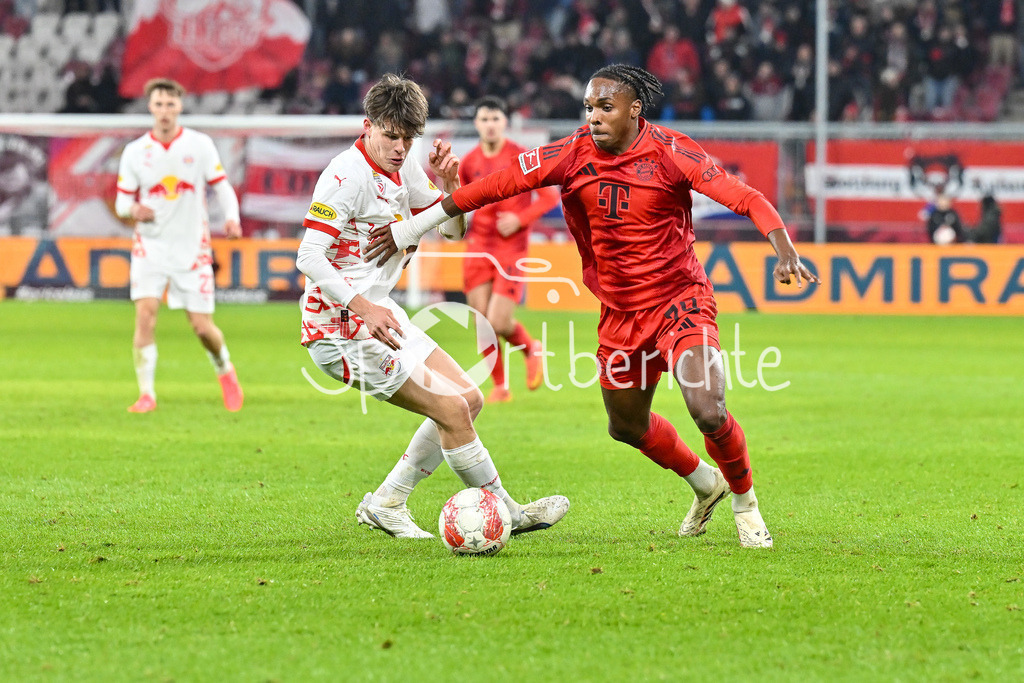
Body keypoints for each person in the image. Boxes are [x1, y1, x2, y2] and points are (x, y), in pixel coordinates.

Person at [366, 65, 821, 549]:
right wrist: (411, 228)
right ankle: (705, 483)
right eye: (589, 107)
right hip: (619, 314)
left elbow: (745, 197)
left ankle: (745, 504)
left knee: (708, 409)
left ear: (635, 110)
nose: (594, 117)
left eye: (606, 107)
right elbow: (495, 186)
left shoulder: (672, 151)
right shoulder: (572, 152)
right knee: (626, 426)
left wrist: (784, 248)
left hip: (680, 300)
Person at [295, 73, 569, 539]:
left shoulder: (404, 168)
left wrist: (450, 184)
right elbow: (308, 255)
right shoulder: (345, 177)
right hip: (340, 329)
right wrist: (364, 307)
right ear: (367, 125)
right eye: (391, 135)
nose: (400, 147)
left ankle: (387, 502)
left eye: (408, 138)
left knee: (469, 399)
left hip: (381, 315)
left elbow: (452, 231)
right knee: (452, 410)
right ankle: (509, 512)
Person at [115, 78, 244, 414]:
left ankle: (224, 369)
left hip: (193, 250)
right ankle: (146, 394)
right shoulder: (135, 152)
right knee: (145, 315)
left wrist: (232, 218)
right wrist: (133, 210)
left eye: (170, 104)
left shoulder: (199, 146)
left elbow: (222, 187)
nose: (164, 111)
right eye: (159, 104)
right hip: (150, 247)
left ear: (180, 107)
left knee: (202, 328)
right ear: (150, 107)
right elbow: (121, 202)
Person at [460, 96, 560, 403]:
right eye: (484, 119)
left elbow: (549, 198)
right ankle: (500, 387)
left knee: (499, 322)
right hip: (478, 246)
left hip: (511, 250)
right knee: (482, 322)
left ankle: (531, 348)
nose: (490, 125)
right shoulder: (469, 163)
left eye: (495, 119)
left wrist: (520, 219)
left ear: (505, 122)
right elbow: (460, 202)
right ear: (476, 123)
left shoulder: (523, 158)